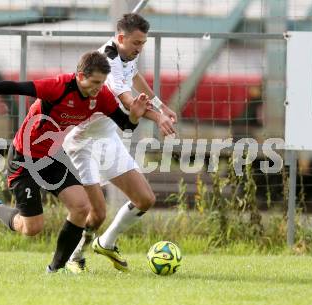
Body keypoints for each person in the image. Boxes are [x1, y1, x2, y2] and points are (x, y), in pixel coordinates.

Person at [0, 51, 149, 273]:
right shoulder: (59, 86)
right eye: (94, 82)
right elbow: (18, 87)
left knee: (81, 207)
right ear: (80, 75)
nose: (98, 88)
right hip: (24, 159)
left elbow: (126, 126)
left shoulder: (100, 96)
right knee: (31, 228)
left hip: (52, 157)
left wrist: (134, 115)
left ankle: (54, 270)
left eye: (102, 83)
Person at [64, 13, 178, 273]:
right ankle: (74, 256)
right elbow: (129, 102)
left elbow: (136, 79)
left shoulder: (125, 54)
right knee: (97, 212)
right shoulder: (108, 62)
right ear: (121, 38)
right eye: (136, 43)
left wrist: (162, 106)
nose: (140, 48)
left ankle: (106, 242)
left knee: (145, 199)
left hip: (108, 139)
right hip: (84, 143)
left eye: (143, 43)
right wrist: (158, 117)